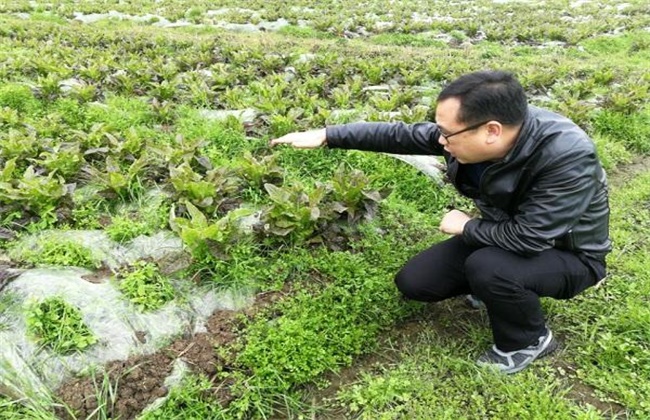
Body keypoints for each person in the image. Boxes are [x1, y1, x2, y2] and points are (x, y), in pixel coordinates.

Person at [270, 70, 611, 374]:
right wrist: (329, 135)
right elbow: (400, 135)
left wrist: (466, 226)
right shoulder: (477, 132)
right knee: (416, 282)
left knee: (489, 267)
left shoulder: (567, 155)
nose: (441, 140)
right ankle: (497, 290)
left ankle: (527, 341)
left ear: (491, 130)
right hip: (503, 235)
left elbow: (531, 238)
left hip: (568, 254)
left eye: (448, 133)